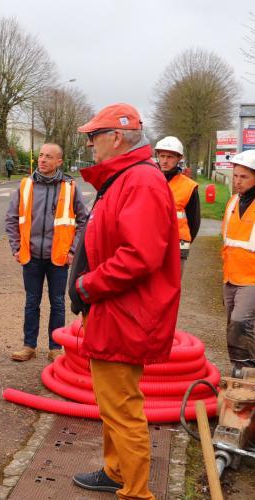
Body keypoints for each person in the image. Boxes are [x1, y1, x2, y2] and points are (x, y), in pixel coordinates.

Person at [68, 104, 180, 499]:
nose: (89, 144)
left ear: (116, 138)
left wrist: (88, 286)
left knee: (122, 406)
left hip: (125, 312)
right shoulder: (127, 179)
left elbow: (139, 255)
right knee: (112, 402)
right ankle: (117, 471)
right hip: (116, 310)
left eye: (93, 136)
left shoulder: (140, 182)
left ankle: (136, 490)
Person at [5, 143, 88, 362]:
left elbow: (83, 221)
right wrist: (16, 247)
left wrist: (73, 251)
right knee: (31, 301)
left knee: (57, 302)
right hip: (31, 256)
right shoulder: (26, 185)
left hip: (59, 257)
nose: (42, 160)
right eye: (41, 155)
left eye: (48, 157)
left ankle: (55, 347)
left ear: (59, 162)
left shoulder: (70, 187)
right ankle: (29, 346)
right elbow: (12, 218)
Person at [221, 149, 255, 369]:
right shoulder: (233, 202)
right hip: (230, 276)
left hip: (252, 278)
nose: (237, 181)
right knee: (231, 326)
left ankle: (249, 370)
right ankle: (238, 370)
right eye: (235, 176)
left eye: (244, 177)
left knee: (241, 322)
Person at [155, 136, 200, 274]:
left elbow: (194, 221)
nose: (165, 160)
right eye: (162, 156)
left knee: (172, 288)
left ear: (179, 158)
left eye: (170, 157)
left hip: (178, 245)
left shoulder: (189, 186)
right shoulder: (149, 180)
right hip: (152, 242)